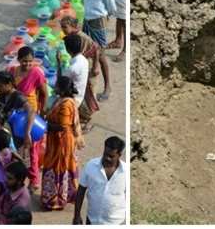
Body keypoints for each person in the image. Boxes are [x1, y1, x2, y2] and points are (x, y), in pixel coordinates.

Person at [41, 76, 83, 210]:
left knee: (58, 168)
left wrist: (45, 125)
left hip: (61, 143)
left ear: (63, 89)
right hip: (56, 140)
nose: (55, 88)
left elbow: (63, 127)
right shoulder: (63, 100)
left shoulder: (66, 104)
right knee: (56, 167)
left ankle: (56, 200)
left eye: (57, 86)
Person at [8, 47, 48, 189]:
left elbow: (44, 93)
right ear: (19, 60)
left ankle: (34, 179)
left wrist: (42, 111)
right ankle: (18, 177)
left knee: (32, 148)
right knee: (16, 147)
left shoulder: (36, 73)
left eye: (30, 62)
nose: (27, 65)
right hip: (16, 116)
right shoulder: (12, 71)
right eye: (24, 61)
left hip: (30, 116)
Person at [80, 0, 116, 99]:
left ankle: (107, 87)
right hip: (87, 21)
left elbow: (112, 9)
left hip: (99, 22)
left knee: (100, 56)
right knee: (86, 52)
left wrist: (103, 19)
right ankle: (88, 86)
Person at [73, 136, 126, 225]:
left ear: (119, 155)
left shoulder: (126, 172)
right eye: (105, 154)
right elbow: (81, 191)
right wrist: (77, 216)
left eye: (111, 156)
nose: (107, 158)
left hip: (116, 223)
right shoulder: (91, 166)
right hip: (92, 220)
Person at [61, 35, 95, 132]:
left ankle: (79, 126)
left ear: (68, 49)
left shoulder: (73, 67)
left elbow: (62, 80)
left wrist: (60, 64)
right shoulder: (83, 59)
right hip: (81, 91)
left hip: (74, 97)